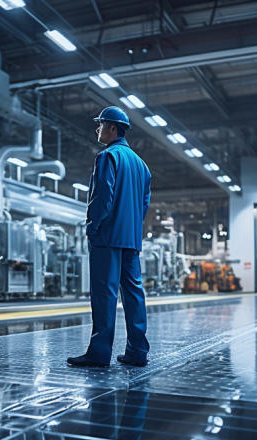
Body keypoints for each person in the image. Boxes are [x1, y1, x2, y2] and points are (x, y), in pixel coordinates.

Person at [67, 106, 152, 367]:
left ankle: (99, 353)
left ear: (112, 128)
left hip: (107, 235)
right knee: (134, 293)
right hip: (131, 238)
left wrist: (93, 225)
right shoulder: (142, 165)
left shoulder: (107, 157)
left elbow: (103, 195)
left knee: (104, 294)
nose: (98, 129)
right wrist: (132, 228)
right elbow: (144, 204)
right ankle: (138, 352)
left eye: (101, 124)